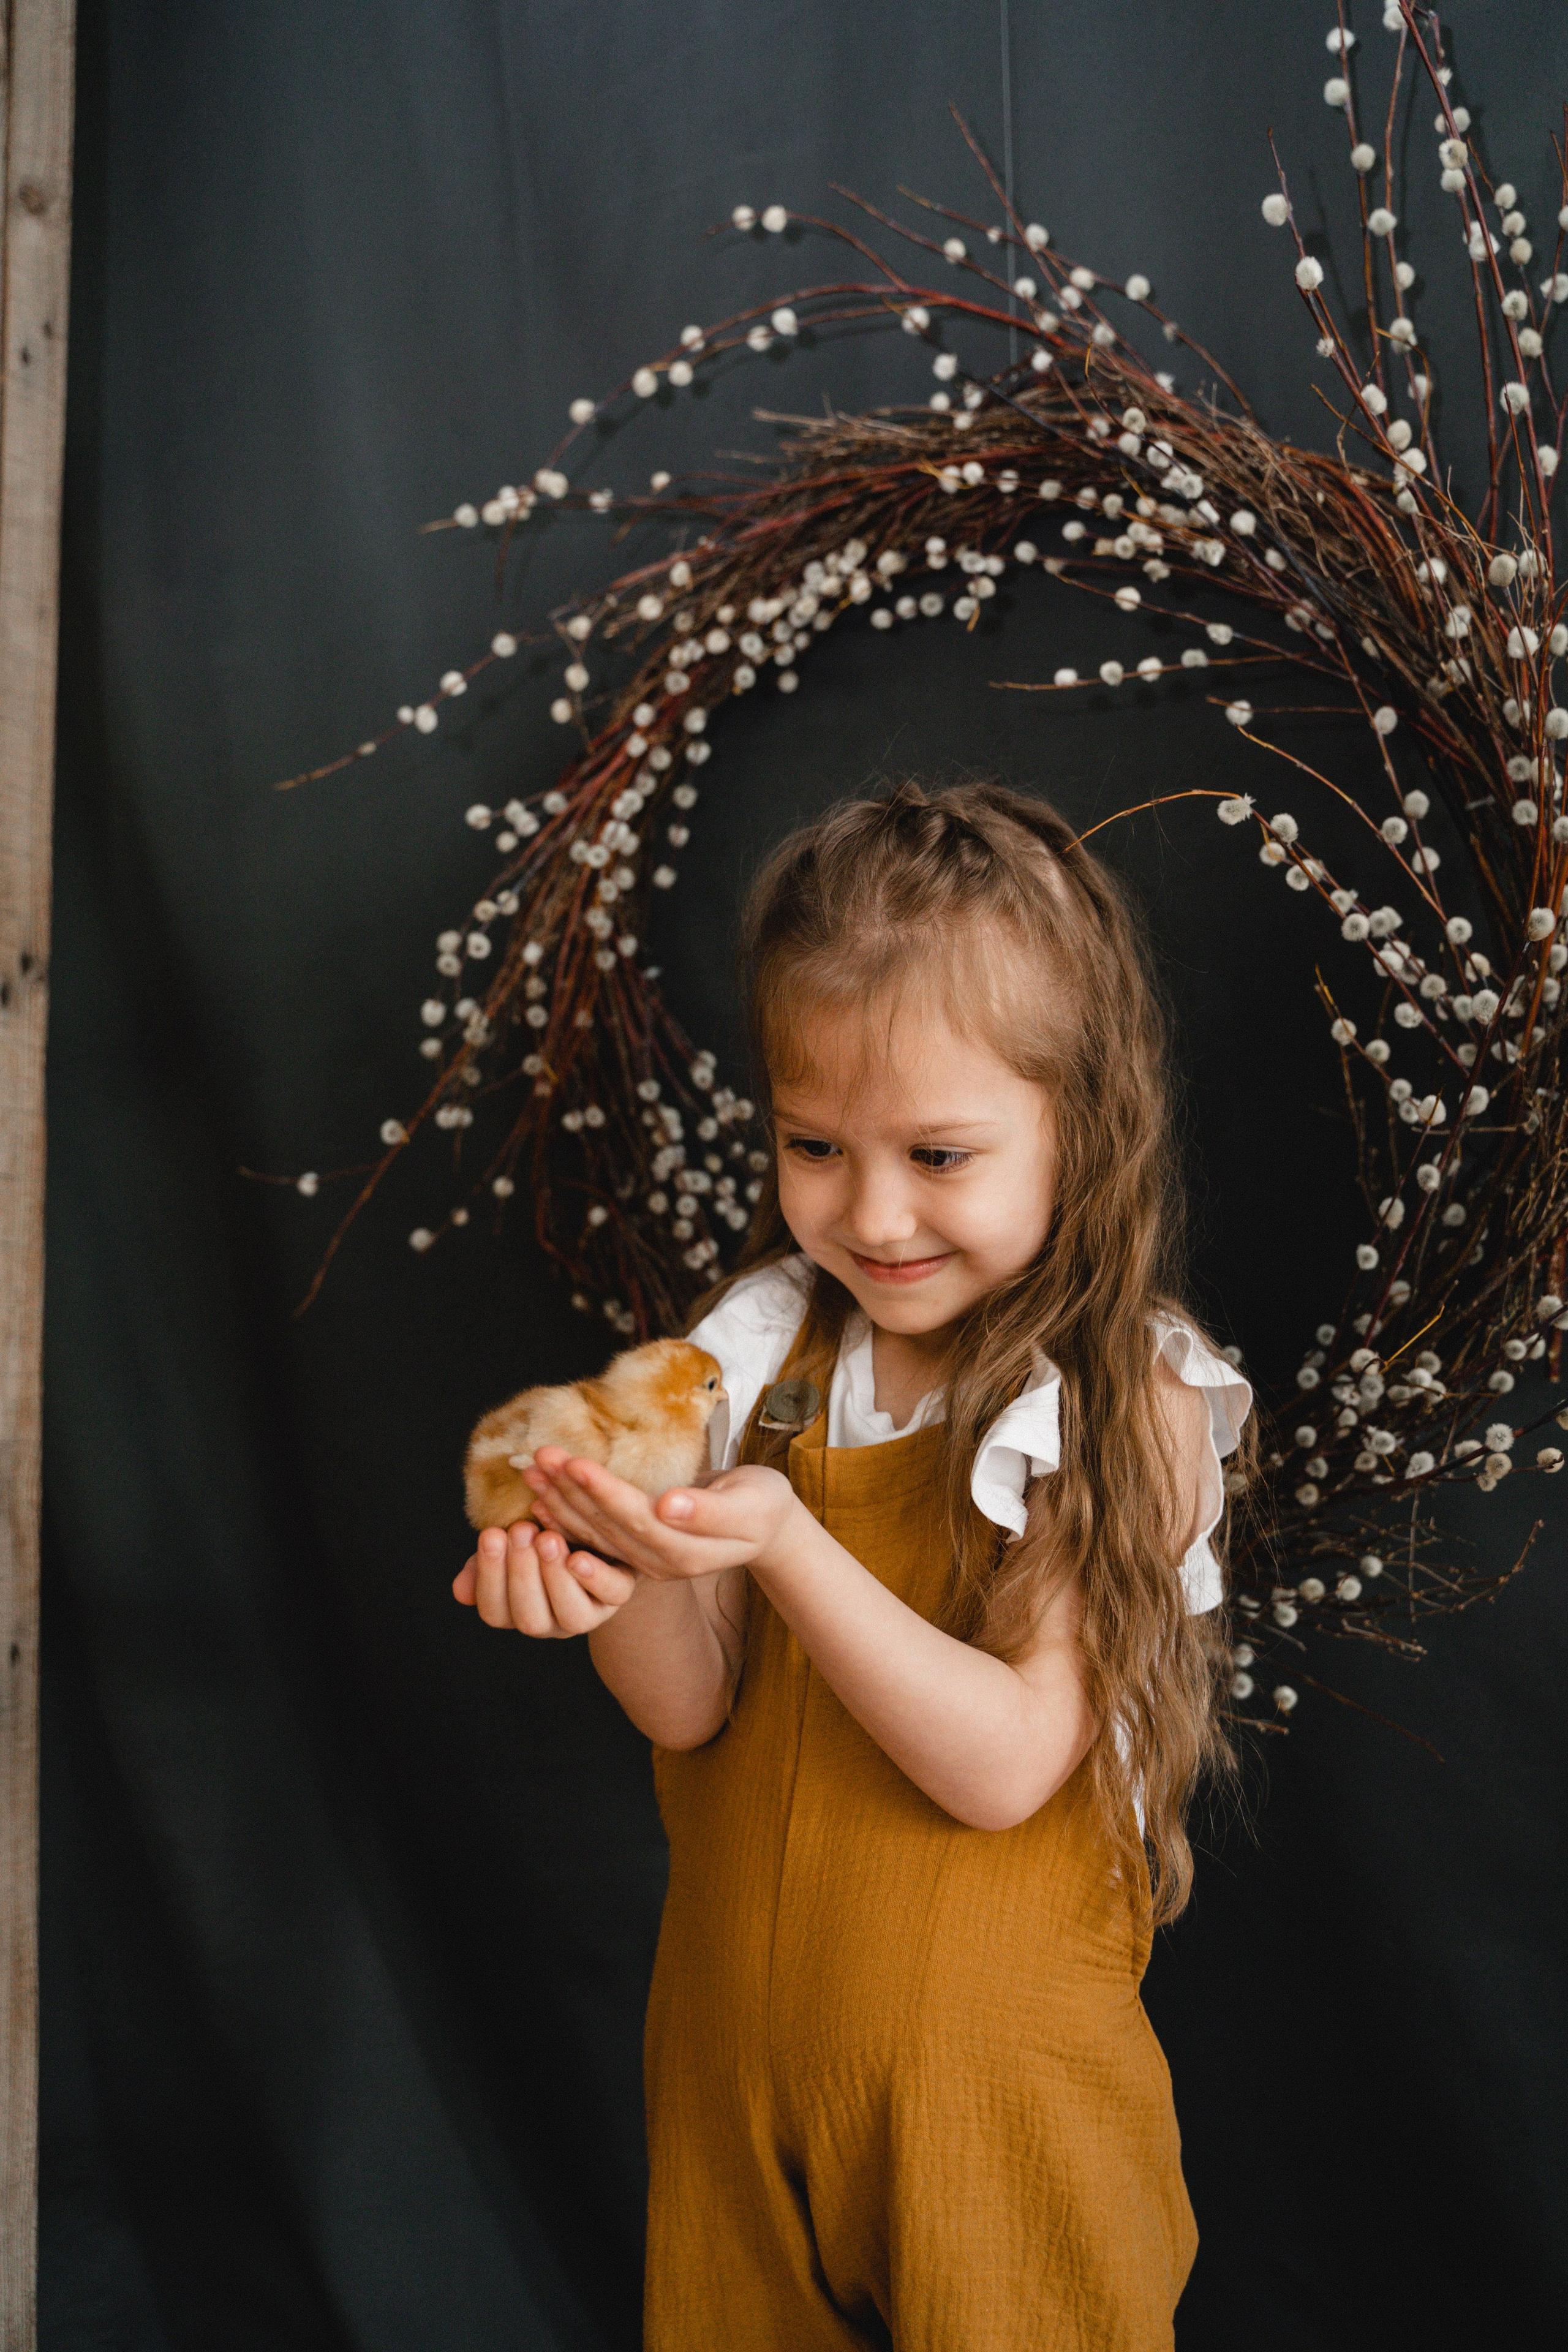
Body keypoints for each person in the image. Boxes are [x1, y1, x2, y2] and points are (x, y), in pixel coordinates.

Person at [454, 780, 1253, 2350]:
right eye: (811, 1143)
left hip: (991, 2105)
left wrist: (783, 1540)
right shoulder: (752, 1358)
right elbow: (690, 1710)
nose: (868, 1213)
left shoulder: (1123, 1405)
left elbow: (1009, 1763)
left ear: (1078, 1130)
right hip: (727, 2068)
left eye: (939, 1154)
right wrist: (616, 1571)